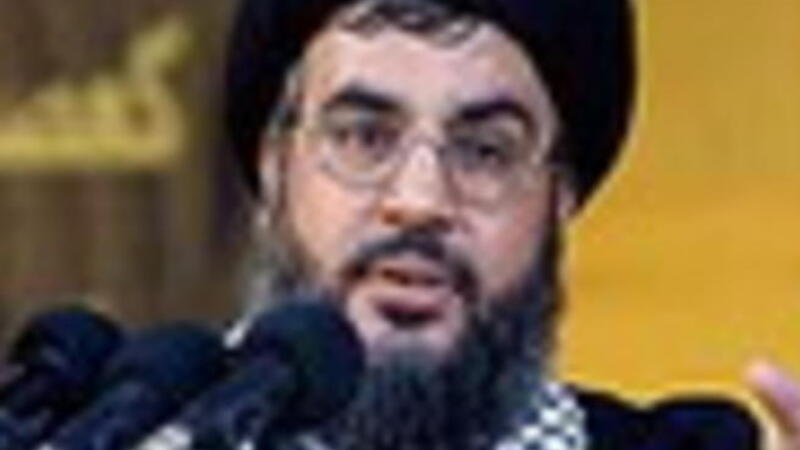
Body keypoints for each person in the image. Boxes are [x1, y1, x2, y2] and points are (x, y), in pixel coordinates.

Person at [221, 0, 800, 448]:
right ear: (275, 167)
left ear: (560, 196)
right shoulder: (164, 426)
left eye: (485, 152)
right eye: (364, 137)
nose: (420, 201)